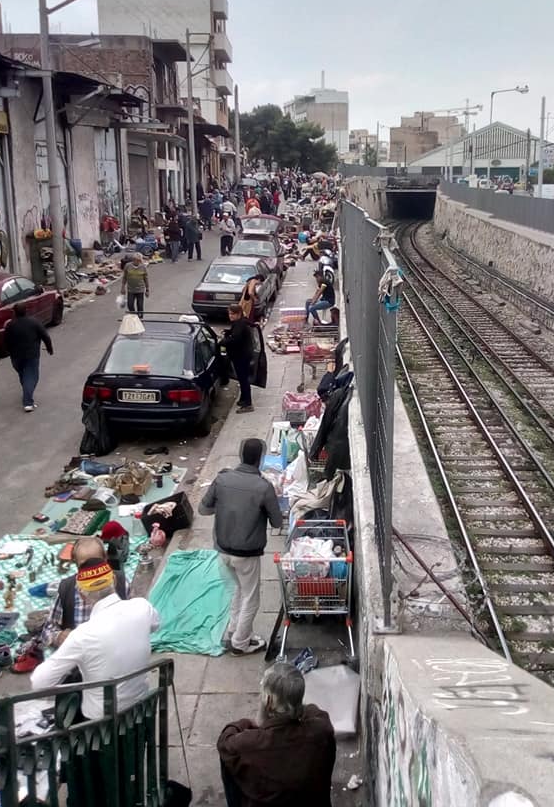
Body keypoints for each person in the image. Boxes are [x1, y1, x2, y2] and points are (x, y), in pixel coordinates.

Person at [31, 558, 159, 720]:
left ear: (82, 595)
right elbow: (155, 624)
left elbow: (40, 683)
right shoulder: (141, 607)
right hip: (141, 709)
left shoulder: (82, 636)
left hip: (101, 724)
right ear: (113, 580)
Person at [198, 438, 282, 655]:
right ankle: (240, 643)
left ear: (240, 455)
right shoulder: (264, 487)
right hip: (246, 553)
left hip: (223, 549)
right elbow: (277, 522)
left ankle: (233, 630)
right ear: (260, 459)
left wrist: (229, 506)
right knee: (251, 598)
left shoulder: (222, 479)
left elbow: (204, 510)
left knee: (238, 589)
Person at [217, 662, 336, 807]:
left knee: (228, 761)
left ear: (268, 700)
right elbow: (310, 710)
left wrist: (253, 720)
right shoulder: (321, 728)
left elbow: (224, 742)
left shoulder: (248, 745)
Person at [40, 536, 128, 651]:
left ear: (105, 558)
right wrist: (58, 637)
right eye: (84, 566)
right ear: (75, 564)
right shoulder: (67, 589)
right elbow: (47, 630)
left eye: (96, 563)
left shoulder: (121, 582)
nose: (91, 571)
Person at [3, 302, 53, 412]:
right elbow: (45, 336)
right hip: (31, 355)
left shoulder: (10, 325)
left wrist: (9, 352)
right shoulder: (34, 322)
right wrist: (49, 348)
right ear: (26, 311)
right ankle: (28, 402)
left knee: (23, 375)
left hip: (16, 356)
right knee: (32, 377)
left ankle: (27, 394)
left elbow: (6, 341)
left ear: (15, 312)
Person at [222, 303, 257, 411]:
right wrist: (228, 332)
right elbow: (236, 334)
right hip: (242, 355)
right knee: (242, 379)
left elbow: (235, 339)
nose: (230, 316)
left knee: (243, 379)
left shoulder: (239, 324)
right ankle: (243, 398)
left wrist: (223, 342)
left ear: (239, 314)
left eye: (233, 314)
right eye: (229, 314)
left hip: (241, 356)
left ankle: (248, 404)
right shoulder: (240, 323)